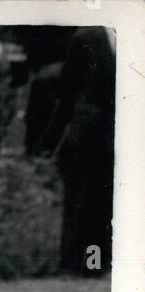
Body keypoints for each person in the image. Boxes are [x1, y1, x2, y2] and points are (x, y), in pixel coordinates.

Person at [44, 26, 115, 275]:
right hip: (88, 134)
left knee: (105, 203)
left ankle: (99, 263)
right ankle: (80, 263)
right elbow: (66, 93)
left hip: (117, 133)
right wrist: (49, 143)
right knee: (83, 201)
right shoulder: (86, 38)